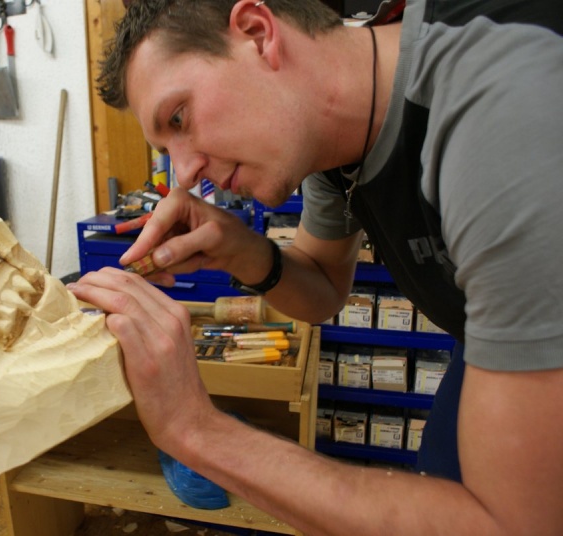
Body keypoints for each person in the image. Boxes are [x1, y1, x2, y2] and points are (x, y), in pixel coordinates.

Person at [68, 0, 563, 533]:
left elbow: (511, 526)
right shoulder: (333, 142)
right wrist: (242, 249)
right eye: (166, 146)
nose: (184, 175)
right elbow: (323, 288)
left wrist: (192, 429)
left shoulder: (502, 118)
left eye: (179, 118)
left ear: (258, 33)